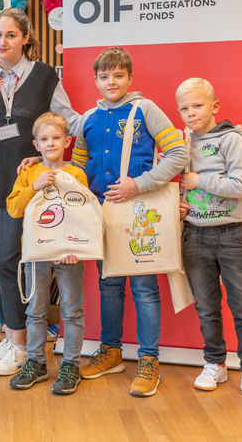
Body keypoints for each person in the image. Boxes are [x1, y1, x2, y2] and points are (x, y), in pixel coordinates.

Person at [0, 8, 80, 376]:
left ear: (25, 38)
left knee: (15, 261)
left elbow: (69, 121)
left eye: (10, 35)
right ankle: (13, 336)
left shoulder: (44, 77)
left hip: (31, 187)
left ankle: (22, 344)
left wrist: (110, 115)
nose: (2, 41)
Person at [70, 47, 188, 397]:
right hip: (101, 217)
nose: (111, 82)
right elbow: (77, 168)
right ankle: (111, 352)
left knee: (144, 289)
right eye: (104, 76)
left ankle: (149, 359)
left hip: (137, 216)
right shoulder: (88, 119)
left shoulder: (145, 109)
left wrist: (140, 184)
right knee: (109, 285)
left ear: (130, 78)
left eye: (118, 75)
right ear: (96, 80)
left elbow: (178, 153)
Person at [176, 77, 242, 404]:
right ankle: (215, 364)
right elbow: (179, 186)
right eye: (184, 108)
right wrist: (180, 203)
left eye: (198, 105)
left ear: (215, 106)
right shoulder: (182, 144)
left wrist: (198, 180)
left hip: (232, 234)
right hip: (194, 235)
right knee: (207, 307)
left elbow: (240, 186)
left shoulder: (231, 140)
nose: (191, 113)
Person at [6, 113, 88, 395]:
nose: (50, 143)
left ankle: (71, 365)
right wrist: (34, 186)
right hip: (36, 253)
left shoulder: (77, 174)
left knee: (72, 310)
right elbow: (14, 209)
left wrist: (75, 249)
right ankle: (36, 363)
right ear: (36, 144)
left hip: (69, 255)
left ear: (67, 141)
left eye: (56, 138)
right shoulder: (28, 172)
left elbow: (84, 216)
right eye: (44, 139)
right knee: (36, 310)